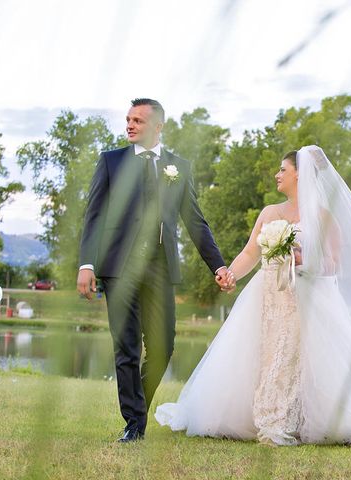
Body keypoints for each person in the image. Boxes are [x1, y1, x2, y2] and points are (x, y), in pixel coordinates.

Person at [156, 145, 351, 445]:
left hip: (308, 298)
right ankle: (261, 415)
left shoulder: (324, 217)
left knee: (300, 359)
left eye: (283, 170)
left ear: (300, 174)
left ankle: (293, 419)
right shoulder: (270, 212)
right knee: (262, 354)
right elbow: (251, 252)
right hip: (267, 295)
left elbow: (333, 264)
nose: (277, 175)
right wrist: (230, 273)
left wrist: (305, 261)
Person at [77, 98, 234, 443]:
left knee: (163, 347)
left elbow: (196, 222)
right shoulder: (111, 162)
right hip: (118, 269)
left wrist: (218, 265)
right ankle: (134, 425)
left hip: (161, 269)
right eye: (128, 119)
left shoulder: (178, 167)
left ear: (158, 127)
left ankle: (138, 410)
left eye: (138, 121)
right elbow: (94, 216)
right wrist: (87, 263)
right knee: (127, 348)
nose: (130, 125)